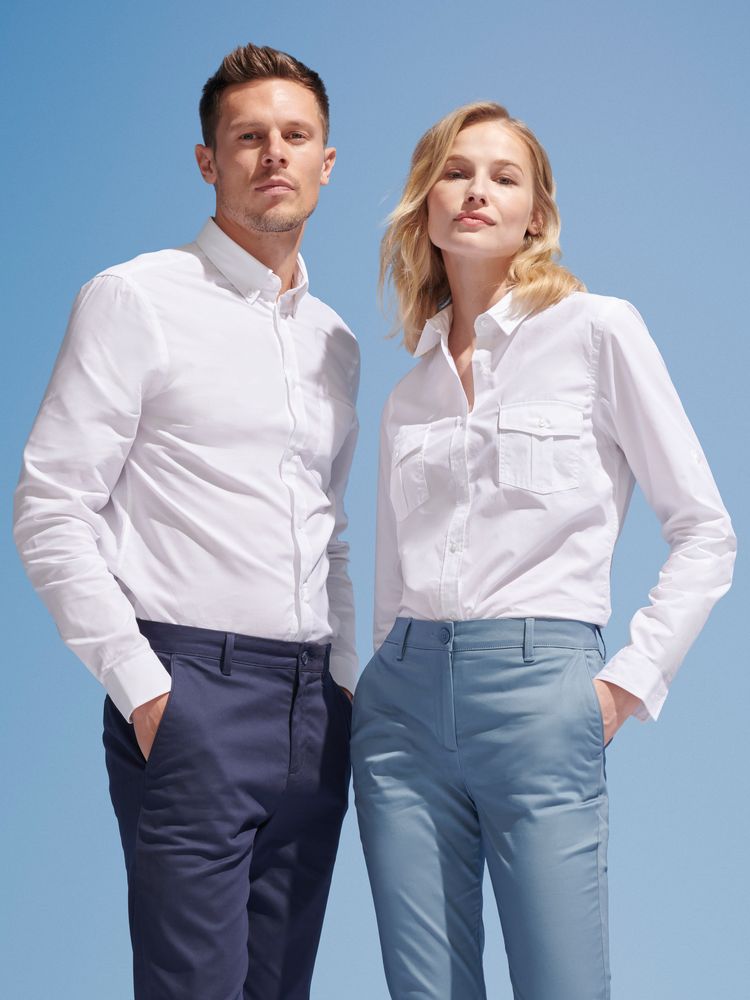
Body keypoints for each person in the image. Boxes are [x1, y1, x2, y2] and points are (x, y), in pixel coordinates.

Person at [350, 101, 736, 1000]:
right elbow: (390, 584)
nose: (476, 190)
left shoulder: (598, 331)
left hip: (541, 693)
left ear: (537, 215)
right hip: (401, 712)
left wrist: (622, 687)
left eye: (503, 176)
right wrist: (377, 687)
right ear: (424, 203)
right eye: (455, 172)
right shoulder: (408, 395)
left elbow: (705, 530)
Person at [13, 42, 358, 1000]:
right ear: (208, 161)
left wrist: (342, 682)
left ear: (327, 162)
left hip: (314, 711)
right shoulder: (135, 299)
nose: (274, 154)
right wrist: (145, 690)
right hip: (191, 691)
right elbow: (50, 506)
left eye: (296, 136)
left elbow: (327, 529)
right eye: (249, 138)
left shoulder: (334, 340)